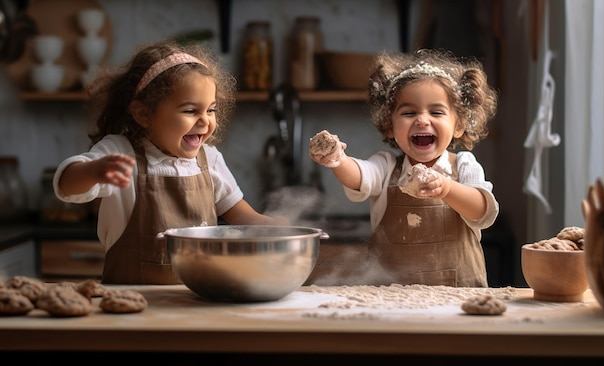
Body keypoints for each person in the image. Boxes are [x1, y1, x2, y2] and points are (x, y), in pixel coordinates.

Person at [53, 40, 285, 285]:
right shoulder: (121, 153)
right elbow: (67, 186)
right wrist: (94, 171)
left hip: (198, 303)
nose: (205, 121)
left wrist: (275, 227)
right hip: (133, 309)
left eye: (211, 110)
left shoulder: (210, 159)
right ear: (143, 114)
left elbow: (241, 215)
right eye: (190, 111)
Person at [309, 49, 499, 287]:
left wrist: (447, 189)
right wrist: (338, 159)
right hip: (392, 297)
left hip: (458, 297)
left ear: (458, 125)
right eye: (409, 112)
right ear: (389, 126)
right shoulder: (386, 166)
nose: (422, 120)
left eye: (436, 112)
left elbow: (482, 211)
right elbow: (360, 176)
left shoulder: (463, 166)